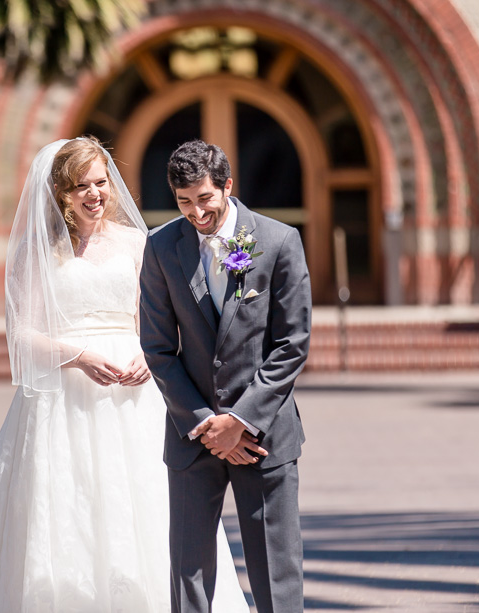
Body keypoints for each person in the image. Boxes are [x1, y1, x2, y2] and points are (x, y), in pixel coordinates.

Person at [0, 137, 249, 612]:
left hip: (134, 393)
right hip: (63, 398)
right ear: (61, 192)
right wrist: (78, 356)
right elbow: (22, 335)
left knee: (146, 507)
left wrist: (150, 353)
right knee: (65, 512)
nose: (96, 194)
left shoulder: (139, 243)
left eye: (101, 183)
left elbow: (162, 319)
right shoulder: (41, 251)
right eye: (83, 186)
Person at [139, 139, 312, 613]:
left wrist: (239, 421)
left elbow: (291, 344)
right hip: (194, 436)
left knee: (276, 572)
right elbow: (157, 348)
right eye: (183, 202)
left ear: (227, 187)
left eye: (204, 199)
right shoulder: (160, 248)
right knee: (188, 573)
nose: (196, 212)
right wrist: (205, 423)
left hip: (264, 435)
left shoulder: (278, 242)